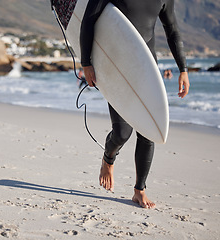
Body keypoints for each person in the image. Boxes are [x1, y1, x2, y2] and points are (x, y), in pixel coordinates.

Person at [80, 0, 190, 208]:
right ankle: (108, 158)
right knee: (122, 132)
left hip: (146, 66)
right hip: (116, 65)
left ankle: (139, 190)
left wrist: (183, 69)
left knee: (147, 130)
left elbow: (172, 29)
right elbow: (88, 21)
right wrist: (87, 63)